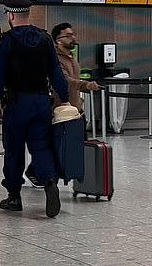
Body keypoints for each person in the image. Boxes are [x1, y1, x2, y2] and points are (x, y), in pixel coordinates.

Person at [0, 0, 70, 218]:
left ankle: (14, 196)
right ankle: (49, 181)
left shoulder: (6, 41)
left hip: (16, 104)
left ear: (11, 15)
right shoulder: (44, 39)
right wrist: (64, 97)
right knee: (41, 146)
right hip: (41, 102)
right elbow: (56, 71)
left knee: (13, 150)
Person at [25, 22, 100, 187]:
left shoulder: (71, 57)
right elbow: (64, 80)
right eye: (68, 35)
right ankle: (36, 171)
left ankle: (80, 176)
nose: (73, 37)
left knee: (75, 143)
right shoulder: (56, 59)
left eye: (73, 34)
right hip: (60, 111)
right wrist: (85, 85)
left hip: (75, 109)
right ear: (58, 40)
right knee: (54, 144)